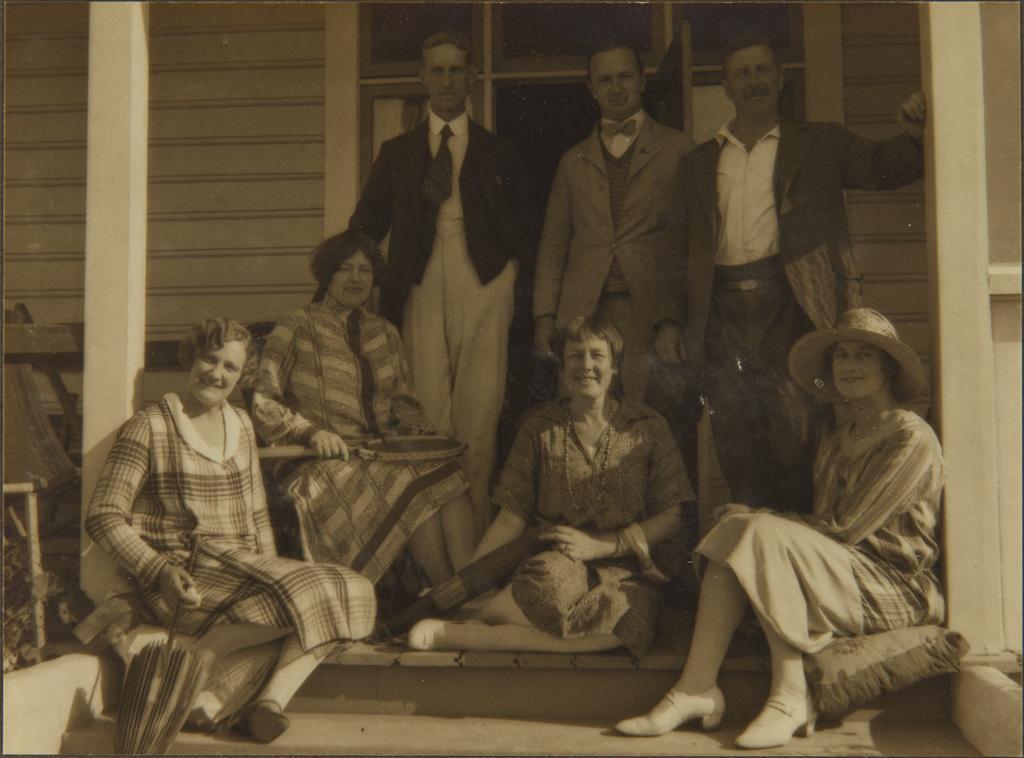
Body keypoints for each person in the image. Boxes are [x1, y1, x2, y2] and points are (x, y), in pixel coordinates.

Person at [616, 308, 944, 749]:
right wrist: (751, 516)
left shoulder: (910, 436)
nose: (849, 366)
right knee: (735, 529)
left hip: (893, 586)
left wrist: (765, 520)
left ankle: (789, 694)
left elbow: (847, 529)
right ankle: (696, 689)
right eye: (841, 356)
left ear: (887, 367)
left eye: (864, 356)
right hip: (842, 576)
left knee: (759, 531)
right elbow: (823, 530)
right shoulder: (838, 436)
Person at [656, 32, 929, 514]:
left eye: (763, 70)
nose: (754, 80)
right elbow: (675, 247)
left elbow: (884, 167)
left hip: (792, 307)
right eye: (742, 73)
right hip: (722, 316)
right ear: (726, 87)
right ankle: (755, 565)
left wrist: (914, 135)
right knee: (736, 440)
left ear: (781, 79)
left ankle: (800, 554)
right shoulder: (701, 162)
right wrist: (670, 321)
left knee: (797, 434)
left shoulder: (820, 143)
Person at [84, 318, 376, 744]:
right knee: (320, 599)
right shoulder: (150, 426)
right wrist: (159, 570)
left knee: (355, 590)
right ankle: (212, 659)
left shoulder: (239, 424)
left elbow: (257, 518)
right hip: (185, 578)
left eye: (230, 368)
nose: (216, 374)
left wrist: (275, 574)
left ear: (242, 377)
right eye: (210, 359)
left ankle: (261, 703)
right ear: (191, 357)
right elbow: (104, 515)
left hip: (242, 574)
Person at [406, 317, 696, 656]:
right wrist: (469, 584)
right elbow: (510, 518)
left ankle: (469, 635)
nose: (586, 366)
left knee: (632, 624)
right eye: (575, 356)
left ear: (615, 366)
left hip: (627, 566)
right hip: (558, 563)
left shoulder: (647, 426)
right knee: (547, 589)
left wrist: (607, 546)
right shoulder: (539, 427)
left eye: (597, 356)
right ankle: (487, 611)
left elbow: (672, 513)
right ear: (561, 365)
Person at [348, 30, 538, 539]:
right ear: (422, 77)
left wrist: (512, 277)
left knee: (479, 417)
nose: (447, 80)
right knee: (428, 414)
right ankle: (432, 548)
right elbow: (364, 226)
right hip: (419, 280)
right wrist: (362, 281)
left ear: (471, 78)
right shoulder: (397, 153)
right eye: (438, 69)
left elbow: (527, 230)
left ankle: (472, 551)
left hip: (484, 281)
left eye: (457, 69)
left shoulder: (499, 151)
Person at [252, 231, 477, 587]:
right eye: (346, 269)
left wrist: (421, 435)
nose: (356, 278)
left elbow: (402, 401)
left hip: (376, 456)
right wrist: (311, 432)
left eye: (365, 270)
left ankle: (468, 584)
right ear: (328, 276)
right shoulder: (297, 324)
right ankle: (445, 588)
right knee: (411, 484)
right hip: (316, 459)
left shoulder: (384, 332)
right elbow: (264, 401)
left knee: (447, 472)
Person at [533, 41, 701, 488]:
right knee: (587, 426)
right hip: (587, 315)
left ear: (642, 81)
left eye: (624, 76)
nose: (616, 87)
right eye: (604, 79)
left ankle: (663, 548)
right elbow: (553, 245)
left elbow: (690, 244)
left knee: (655, 428)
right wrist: (545, 319)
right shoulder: (573, 161)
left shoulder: (679, 149)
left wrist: (674, 319)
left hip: (651, 314)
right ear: (591, 88)